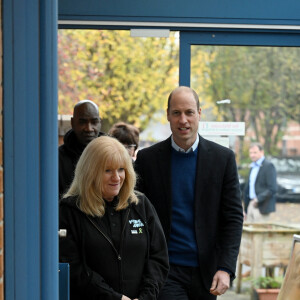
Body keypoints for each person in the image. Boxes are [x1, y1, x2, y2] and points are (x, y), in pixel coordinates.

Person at [134, 86, 244, 299]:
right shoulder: (148, 160)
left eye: (189, 112)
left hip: (208, 273)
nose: (183, 120)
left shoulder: (223, 159)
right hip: (165, 272)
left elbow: (233, 218)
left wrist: (226, 267)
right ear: (168, 115)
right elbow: (136, 216)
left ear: (199, 113)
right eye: (176, 113)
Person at [59, 136, 169, 300]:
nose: (117, 177)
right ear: (90, 172)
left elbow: (159, 258)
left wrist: (147, 296)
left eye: (121, 169)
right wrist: (115, 298)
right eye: (107, 170)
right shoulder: (70, 210)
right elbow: (74, 269)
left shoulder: (140, 205)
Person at [59, 100, 105, 198]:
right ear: (72, 123)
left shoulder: (112, 154)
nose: (88, 128)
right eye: (82, 122)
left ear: (100, 122)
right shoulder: (57, 159)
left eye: (94, 122)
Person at [243, 142, 277, 223]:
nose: (252, 155)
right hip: (250, 206)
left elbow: (272, 188)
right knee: (248, 234)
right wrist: (245, 209)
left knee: (259, 235)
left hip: (262, 207)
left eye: (255, 152)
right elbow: (248, 188)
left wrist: (258, 199)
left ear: (262, 152)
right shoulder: (252, 167)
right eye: (251, 153)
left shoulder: (268, 166)